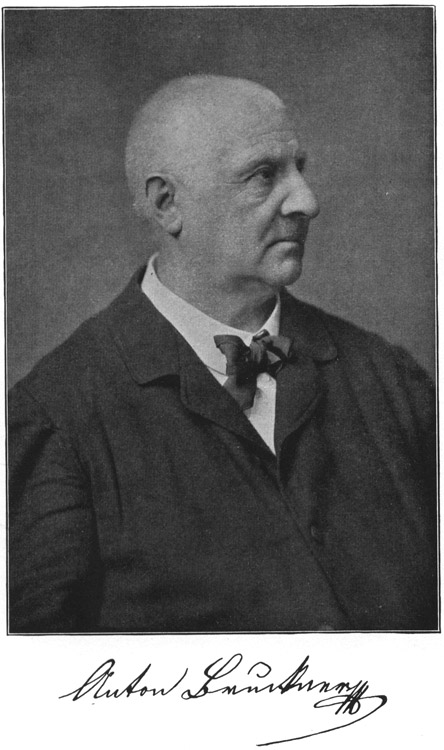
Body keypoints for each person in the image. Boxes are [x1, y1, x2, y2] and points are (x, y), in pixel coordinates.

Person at [9, 74, 437, 633]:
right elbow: (39, 673)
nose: (307, 202)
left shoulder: (391, 382)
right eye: (264, 175)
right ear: (167, 205)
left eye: (300, 169)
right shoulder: (58, 417)